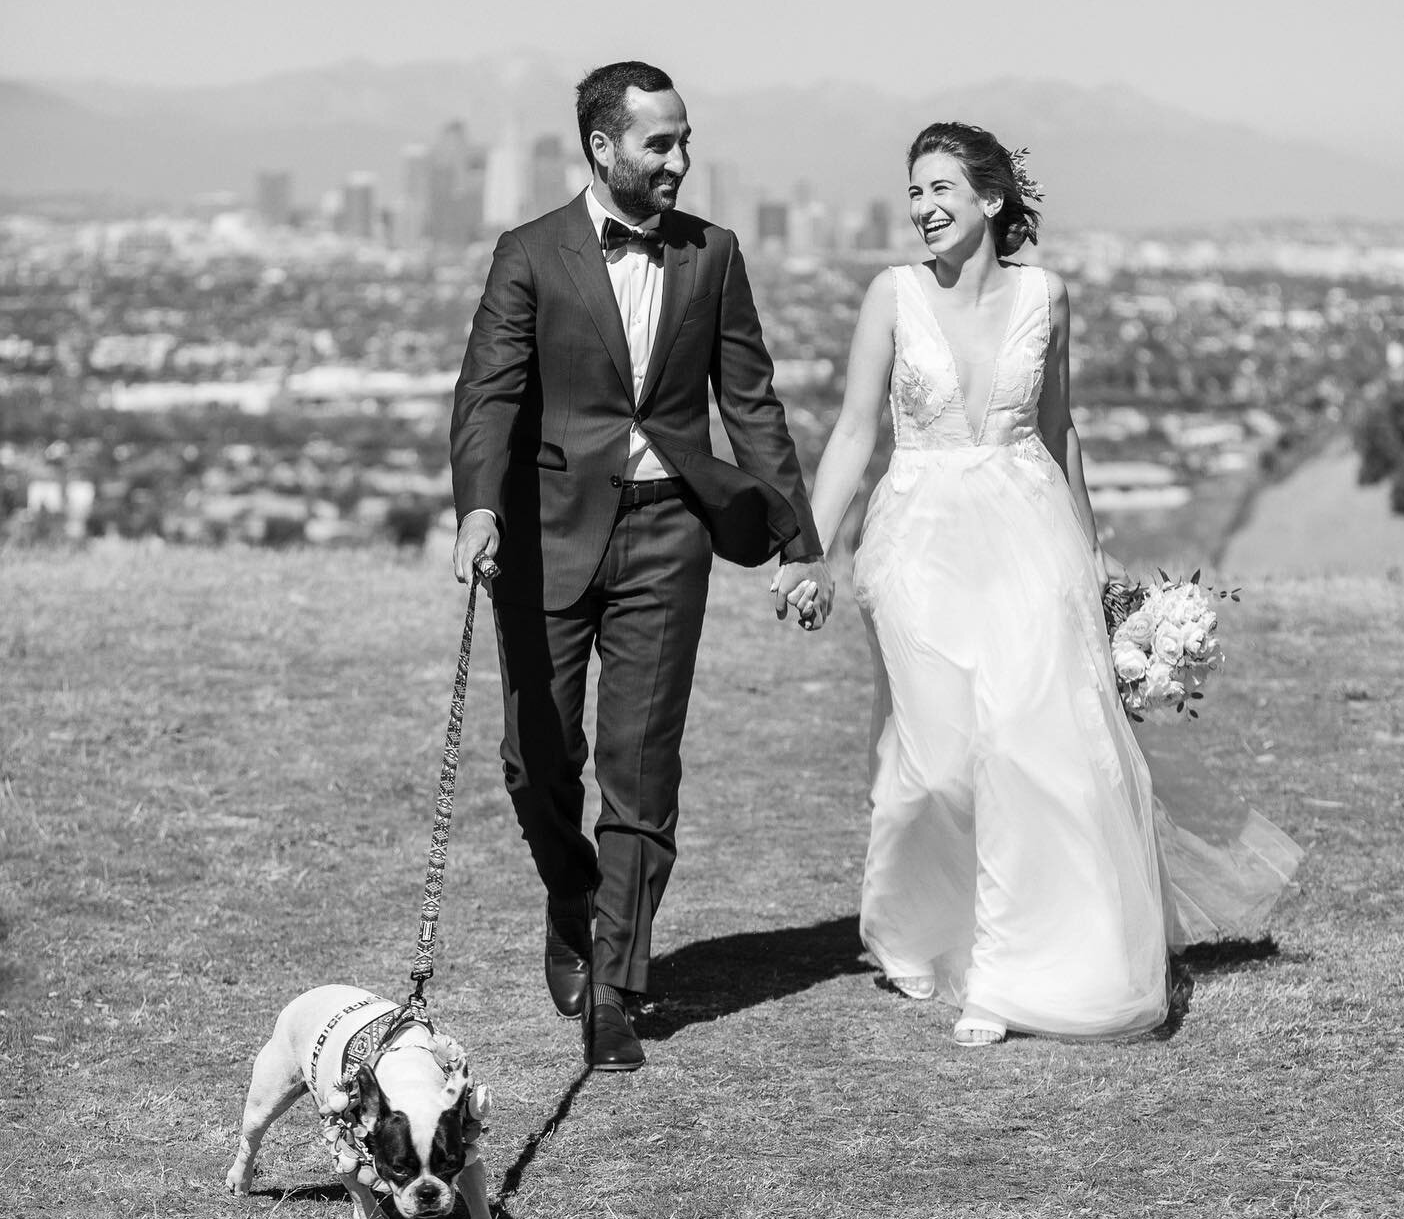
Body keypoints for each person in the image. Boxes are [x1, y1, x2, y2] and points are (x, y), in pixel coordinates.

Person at [789, 122, 1300, 1045]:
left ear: (991, 200)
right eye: (913, 191)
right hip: (918, 543)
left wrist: (1095, 566)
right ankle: (917, 925)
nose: (923, 207)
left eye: (940, 187)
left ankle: (1009, 973)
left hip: (1032, 537)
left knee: (1030, 750)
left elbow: (1060, 434)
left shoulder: (1047, 295)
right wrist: (809, 549)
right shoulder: (890, 296)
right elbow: (856, 435)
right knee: (940, 762)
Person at [451, 61, 833, 1072]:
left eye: (684, 141)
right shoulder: (529, 254)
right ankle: (571, 894)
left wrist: (799, 540)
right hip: (544, 535)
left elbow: (750, 402)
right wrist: (479, 508)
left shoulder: (715, 257)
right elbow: (488, 396)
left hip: (671, 532)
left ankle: (618, 986)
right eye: (658, 144)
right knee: (538, 761)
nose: (679, 161)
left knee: (640, 765)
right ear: (603, 148)